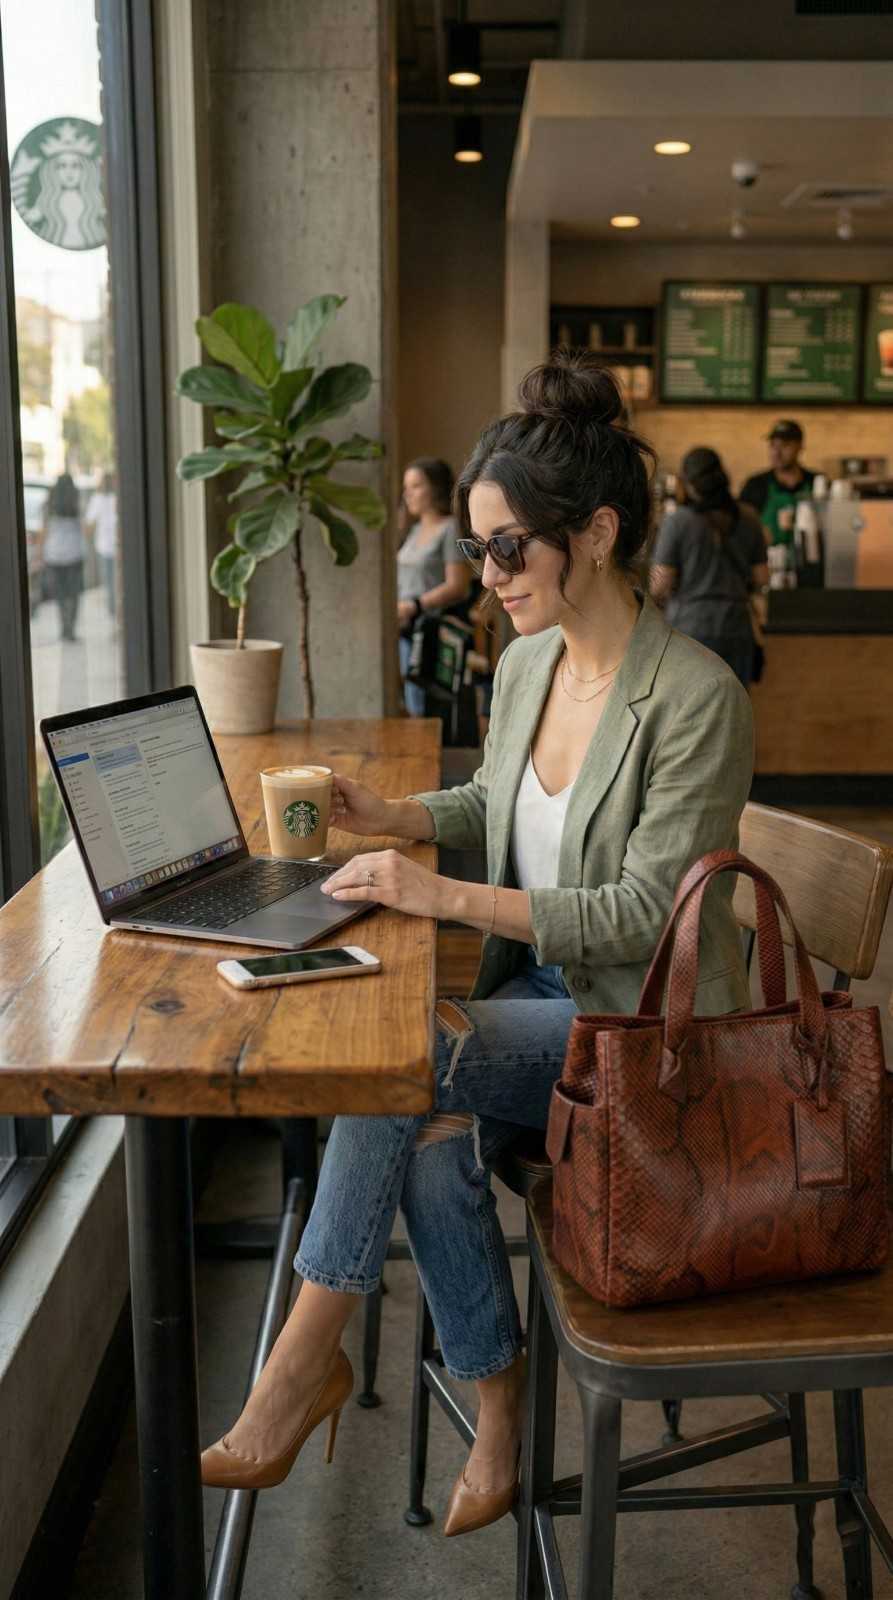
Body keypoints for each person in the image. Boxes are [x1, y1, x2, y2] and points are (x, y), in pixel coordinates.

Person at [200, 353, 754, 1538]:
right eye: (475, 548)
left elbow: (642, 915)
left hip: (642, 1035)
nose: (482, 574)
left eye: (506, 548)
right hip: (537, 1005)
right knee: (425, 1120)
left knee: (406, 1066)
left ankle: (304, 1363)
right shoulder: (527, 668)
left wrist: (437, 899)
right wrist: (394, 815)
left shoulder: (695, 697)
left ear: (593, 534)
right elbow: (497, 806)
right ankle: (496, 1405)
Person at [650, 447, 769, 686]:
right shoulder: (749, 517)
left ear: (689, 484)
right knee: (734, 708)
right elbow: (762, 577)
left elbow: (660, 584)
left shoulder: (678, 522)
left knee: (690, 709)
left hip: (690, 629)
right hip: (737, 627)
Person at [397, 458, 470, 715]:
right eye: (406, 486)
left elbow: (458, 585)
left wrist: (414, 605)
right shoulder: (413, 530)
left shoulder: (450, 527)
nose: (407, 493)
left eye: (416, 486)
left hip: (432, 631)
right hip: (406, 629)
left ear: (435, 488)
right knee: (410, 702)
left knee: (426, 706)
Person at [739, 420, 816, 547]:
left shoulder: (816, 483)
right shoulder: (756, 485)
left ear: (800, 446)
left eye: (785, 445)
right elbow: (741, 528)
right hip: (769, 562)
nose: (777, 453)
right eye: (773, 445)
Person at [41, 472, 86, 642]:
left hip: (54, 555)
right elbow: (84, 528)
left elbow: (43, 531)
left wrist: (39, 554)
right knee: (73, 594)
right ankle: (71, 629)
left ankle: (64, 626)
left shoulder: (49, 505)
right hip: (74, 554)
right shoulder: (76, 503)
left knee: (60, 595)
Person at [85, 470, 118, 617]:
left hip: (104, 546)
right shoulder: (115, 497)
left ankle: (113, 609)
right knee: (115, 580)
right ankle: (115, 609)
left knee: (110, 580)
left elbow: (90, 523)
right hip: (112, 546)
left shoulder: (97, 499)